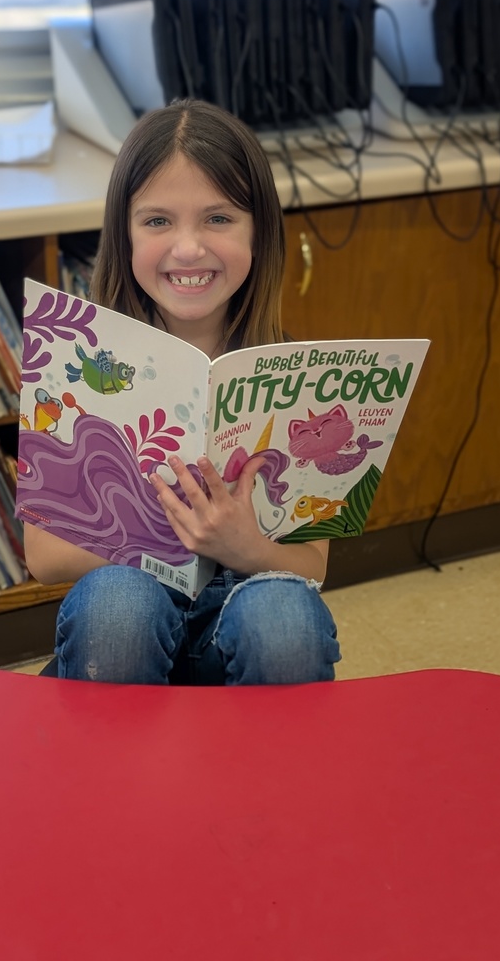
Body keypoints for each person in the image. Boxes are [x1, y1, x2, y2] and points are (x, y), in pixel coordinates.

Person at [23, 98, 340, 685]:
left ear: (259, 232)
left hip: (242, 613)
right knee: (117, 605)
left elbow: (310, 565)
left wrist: (241, 544)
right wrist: (173, 527)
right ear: (124, 232)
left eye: (218, 218)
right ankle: (117, 748)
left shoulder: (296, 378)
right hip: (129, 618)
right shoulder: (77, 364)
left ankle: (265, 751)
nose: (188, 248)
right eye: (157, 221)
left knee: (285, 617)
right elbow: (44, 557)